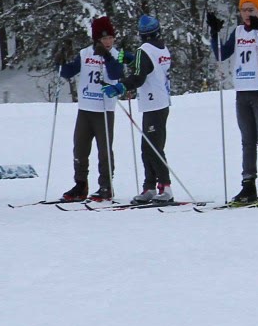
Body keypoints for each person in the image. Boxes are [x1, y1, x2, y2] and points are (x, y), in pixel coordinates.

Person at [208, 0, 258, 205]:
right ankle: (248, 185)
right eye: (243, 10)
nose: (247, 14)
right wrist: (214, 34)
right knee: (247, 141)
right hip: (242, 91)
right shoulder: (238, 31)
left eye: (251, 9)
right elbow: (222, 54)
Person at [57, 16, 123, 201]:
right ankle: (80, 184)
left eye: (111, 38)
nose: (108, 42)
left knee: (104, 150)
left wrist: (107, 56)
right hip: (85, 108)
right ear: (96, 39)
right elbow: (69, 72)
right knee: (80, 148)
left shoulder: (116, 54)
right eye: (104, 38)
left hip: (104, 110)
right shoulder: (85, 53)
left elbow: (116, 73)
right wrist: (60, 62)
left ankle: (106, 186)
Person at [125, 14, 175, 204]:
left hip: (154, 103)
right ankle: (150, 187)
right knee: (148, 147)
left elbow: (139, 77)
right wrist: (131, 60)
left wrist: (121, 86)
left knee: (153, 148)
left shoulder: (144, 50)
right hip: (158, 102)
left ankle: (166, 188)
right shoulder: (162, 47)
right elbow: (147, 68)